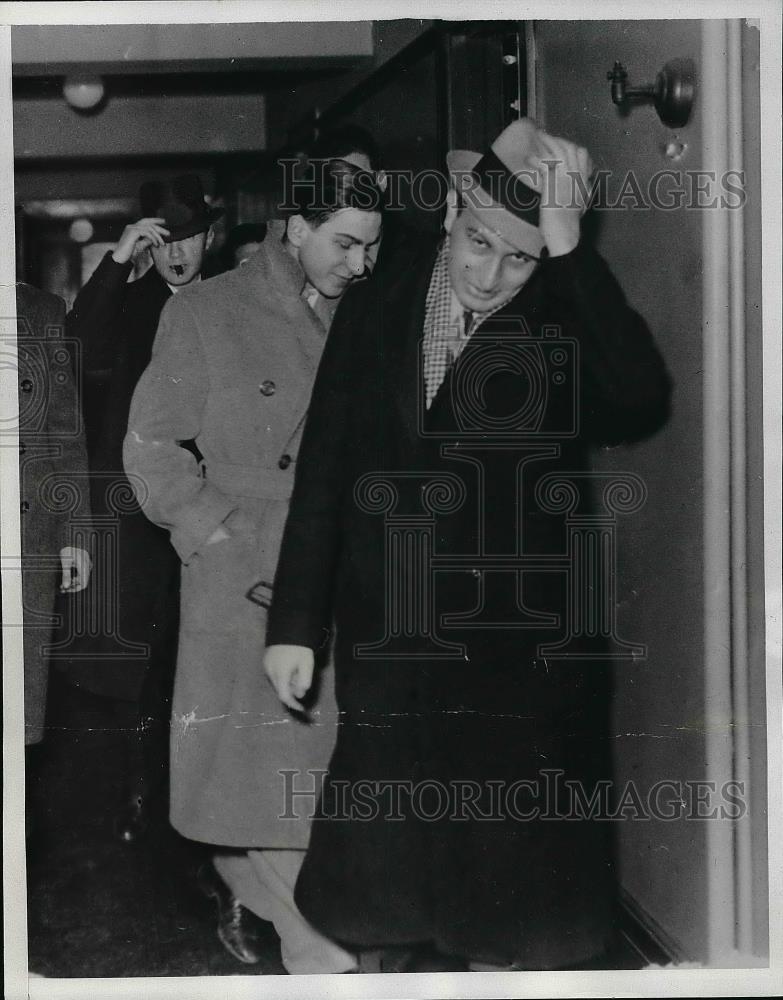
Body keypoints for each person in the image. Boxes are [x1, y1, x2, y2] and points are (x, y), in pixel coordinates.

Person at [264, 119, 673, 971]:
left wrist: (565, 250)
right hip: (393, 637)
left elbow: (638, 396)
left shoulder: (559, 311)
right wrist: (295, 623)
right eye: (478, 242)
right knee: (385, 891)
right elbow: (327, 463)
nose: (488, 276)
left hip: (514, 658)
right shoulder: (380, 294)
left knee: (507, 904)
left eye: (517, 258)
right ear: (453, 205)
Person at [123, 159, 384, 972]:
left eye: (372, 248)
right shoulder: (209, 311)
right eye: (346, 244)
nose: (361, 265)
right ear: (295, 228)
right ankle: (321, 952)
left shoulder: (376, 313)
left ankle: (321, 941)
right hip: (247, 572)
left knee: (325, 781)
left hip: (349, 562)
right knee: (247, 783)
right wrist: (214, 533)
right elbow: (150, 447)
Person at [64, 175, 222, 842]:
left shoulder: (230, 304)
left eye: (188, 239)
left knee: (199, 656)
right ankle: (139, 799)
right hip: (136, 513)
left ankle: (193, 804)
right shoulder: (131, 305)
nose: (177, 255)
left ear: (210, 239)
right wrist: (117, 260)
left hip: (211, 503)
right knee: (137, 664)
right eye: (164, 243)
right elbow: (70, 348)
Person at [17, 284, 92, 748]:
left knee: (19, 704)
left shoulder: (40, 309)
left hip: (29, 530)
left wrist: (76, 533)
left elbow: (66, 430)